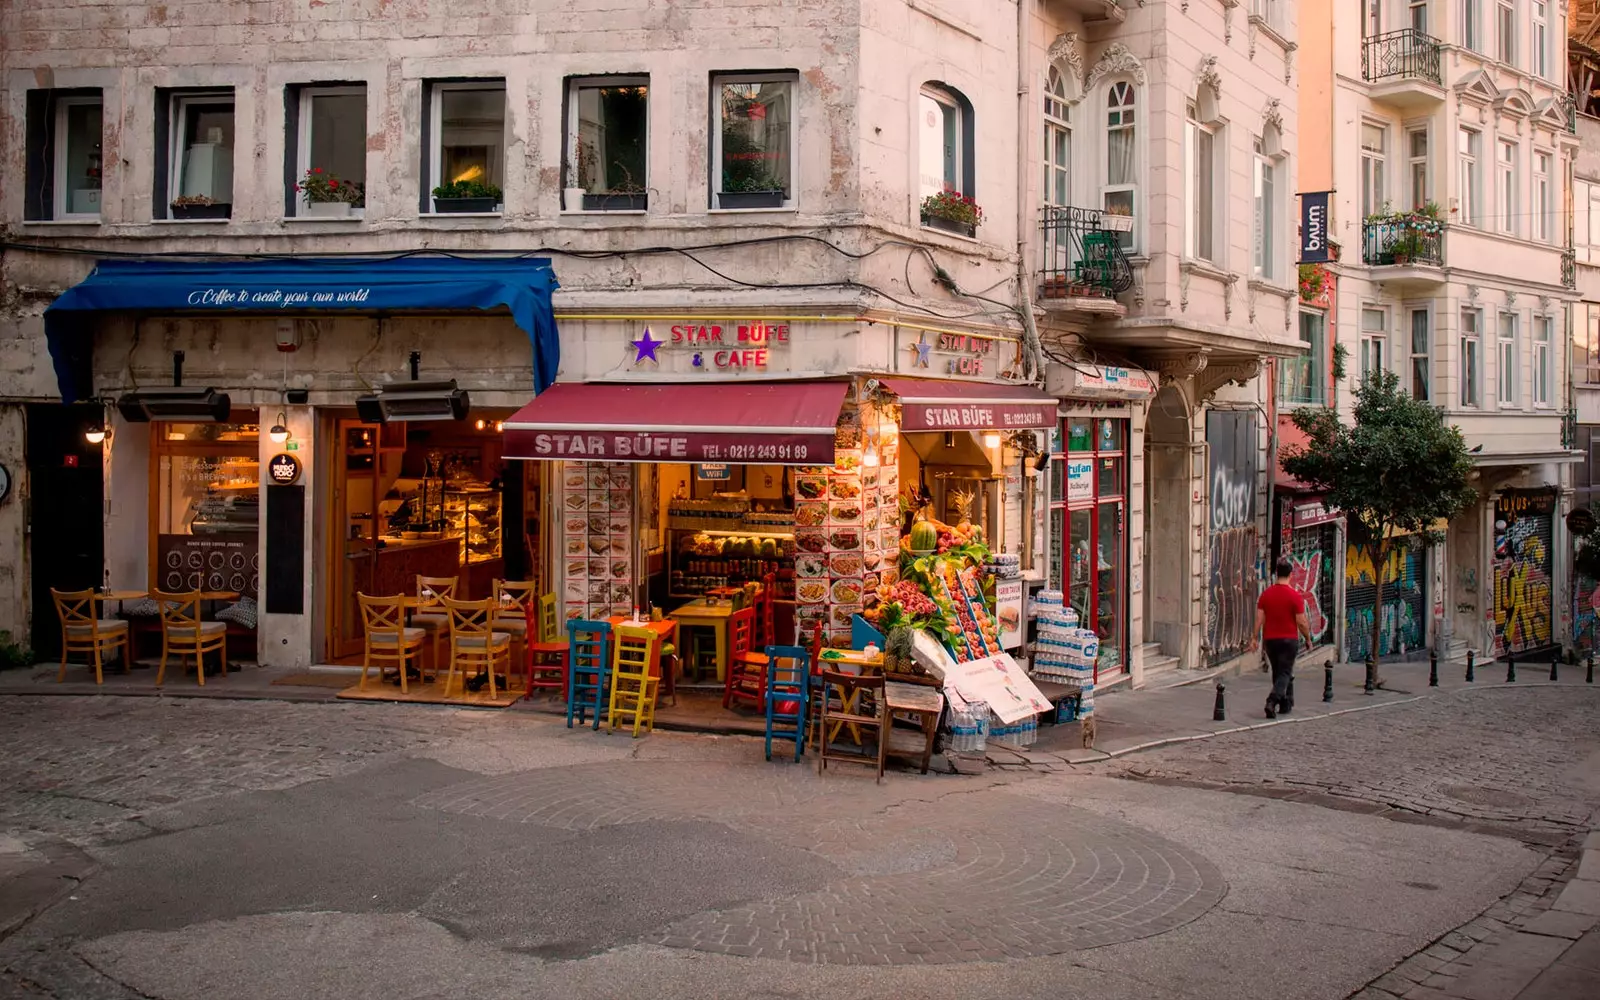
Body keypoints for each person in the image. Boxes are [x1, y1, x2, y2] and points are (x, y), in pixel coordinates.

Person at [1252, 557, 1311, 719]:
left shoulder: (1266, 595)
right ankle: (1271, 702)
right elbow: (1301, 622)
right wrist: (1307, 638)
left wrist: (1254, 637)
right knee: (1285, 672)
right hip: (1288, 640)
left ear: (1276, 574)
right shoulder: (1294, 596)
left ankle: (1285, 703)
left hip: (1270, 640)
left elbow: (1259, 619)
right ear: (1291, 575)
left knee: (1277, 671)